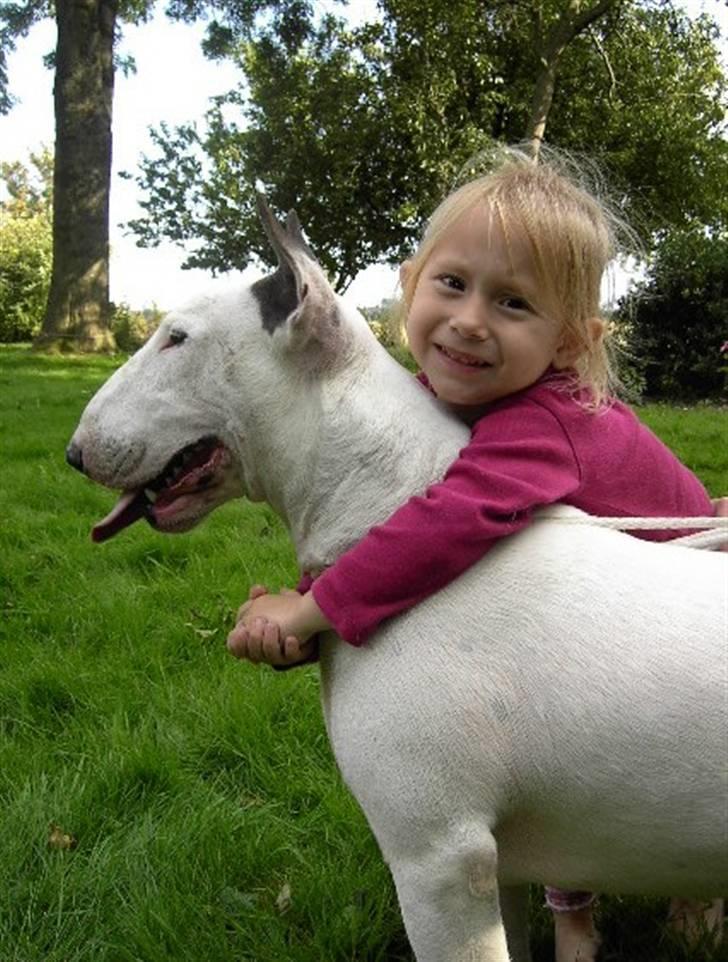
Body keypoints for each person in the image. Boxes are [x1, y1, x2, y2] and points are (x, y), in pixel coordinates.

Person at [226, 148, 722, 962]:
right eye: (451, 284)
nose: (469, 320)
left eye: (513, 302)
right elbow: (390, 520)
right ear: (410, 281)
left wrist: (314, 609)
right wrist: (309, 601)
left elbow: (445, 524)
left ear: (570, 344)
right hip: (594, 611)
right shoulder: (443, 395)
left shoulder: (542, 423)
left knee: (596, 743)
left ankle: (634, 898)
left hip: (681, 594)